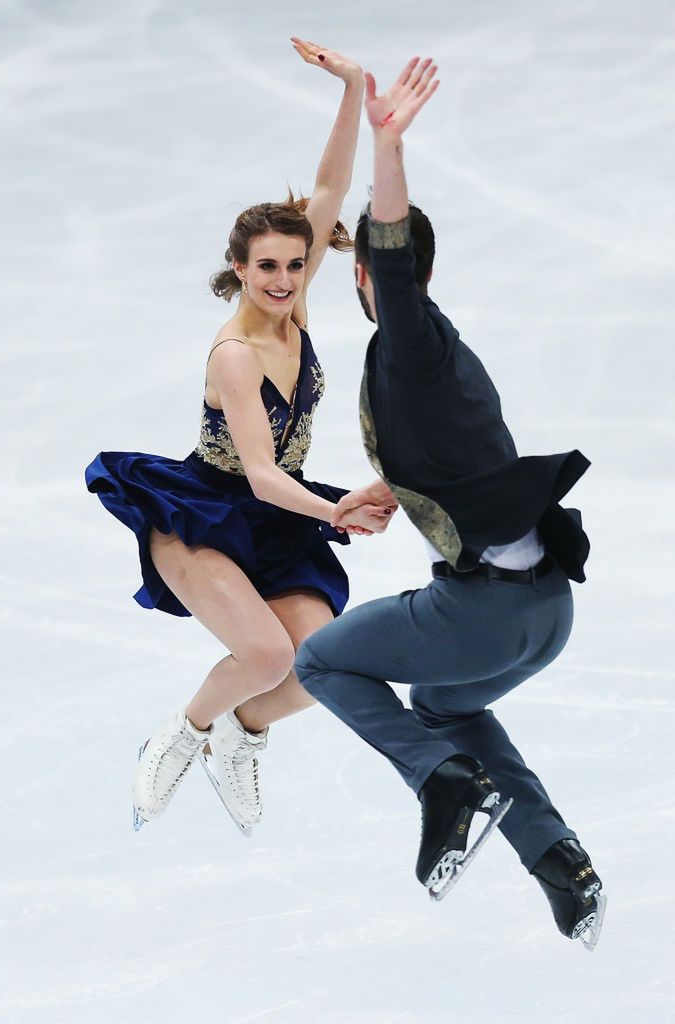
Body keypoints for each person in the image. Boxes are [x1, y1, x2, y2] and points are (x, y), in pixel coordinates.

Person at [295, 57, 606, 948]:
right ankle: (560, 863)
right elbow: (458, 454)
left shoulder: (409, 338)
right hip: (544, 613)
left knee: (321, 661)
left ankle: (440, 782)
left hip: (485, 611)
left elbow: (388, 250)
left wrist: (386, 146)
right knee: (441, 704)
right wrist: (386, 488)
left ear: (376, 282)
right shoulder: (444, 357)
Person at [85, 38, 394, 836]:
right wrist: (334, 512)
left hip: (276, 519)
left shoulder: (293, 300)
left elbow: (327, 186)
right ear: (238, 264)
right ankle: (179, 735)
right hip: (204, 514)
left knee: (322, 666)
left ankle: (241, 736)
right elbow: (258, 474)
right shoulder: (234, 353)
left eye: (294, 264)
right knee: (263, 656)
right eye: (267, 267)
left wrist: (355, 88)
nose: (285, 279)